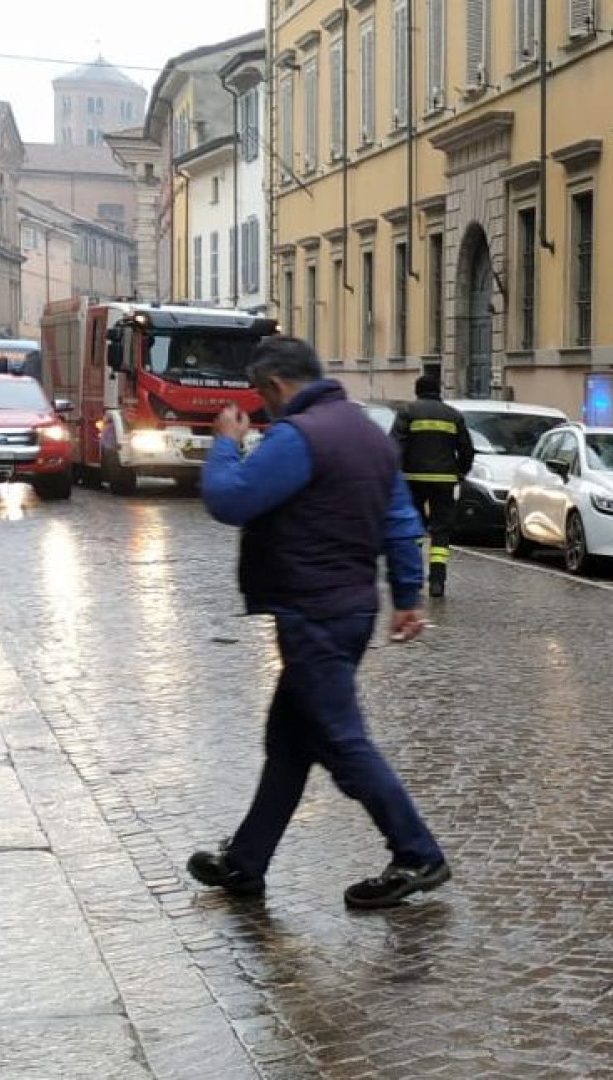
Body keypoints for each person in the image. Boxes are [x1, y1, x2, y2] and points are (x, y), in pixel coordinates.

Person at [188, 336, 452, 910]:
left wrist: (226, 444)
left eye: (261, 395)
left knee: (341, 740)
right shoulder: (368, 433)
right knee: (289, 742)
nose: (262, 405)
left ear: (274, 386)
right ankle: (246, 862)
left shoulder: (298, 437)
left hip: (312, 612)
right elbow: (401, 521)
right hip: (352, 609)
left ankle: (417, 851)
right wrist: (407, 594)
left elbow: (230, 500)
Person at [390, 374, 475, 598]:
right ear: (439, 391)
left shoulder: (407, 412)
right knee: (441, 531)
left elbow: (395, 446)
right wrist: (460, 472)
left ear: (417, 391)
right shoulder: (453, 415)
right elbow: (466, 449)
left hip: (412, 479)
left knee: (413, 528)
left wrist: (395, 474)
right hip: (444, 481)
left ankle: (413, 575)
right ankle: (437, 581)